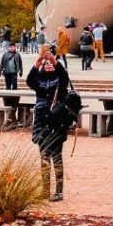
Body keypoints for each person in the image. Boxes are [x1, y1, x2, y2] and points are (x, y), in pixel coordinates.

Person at [26, 47, 73, 201]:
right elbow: (29, 81)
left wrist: (55, 61)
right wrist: (37, 63)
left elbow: (64, 75)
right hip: (41, 121)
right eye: (46, 64)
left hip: (56, 121)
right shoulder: (39, 81)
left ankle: (59, 191)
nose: (48, 65)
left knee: (57, 156)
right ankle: (45, 189)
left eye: (50, 64)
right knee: (44, 156)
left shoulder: (60, 81)